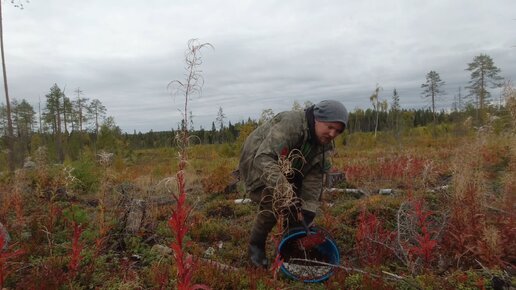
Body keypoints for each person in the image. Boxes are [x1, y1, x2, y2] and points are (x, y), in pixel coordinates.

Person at [238, 100, 348, 268]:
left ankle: (291, 246)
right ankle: (256, 246)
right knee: (275, 199)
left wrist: (307, 211)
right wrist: (285, 190)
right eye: (330, 127)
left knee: (298, 208)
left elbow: (314, 181)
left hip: (288, 168)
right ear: (318, 119)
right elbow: (263, 158)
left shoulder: (324, 147)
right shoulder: (292, 124)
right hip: (257, 163)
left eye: (338, 131)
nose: (333, 134)